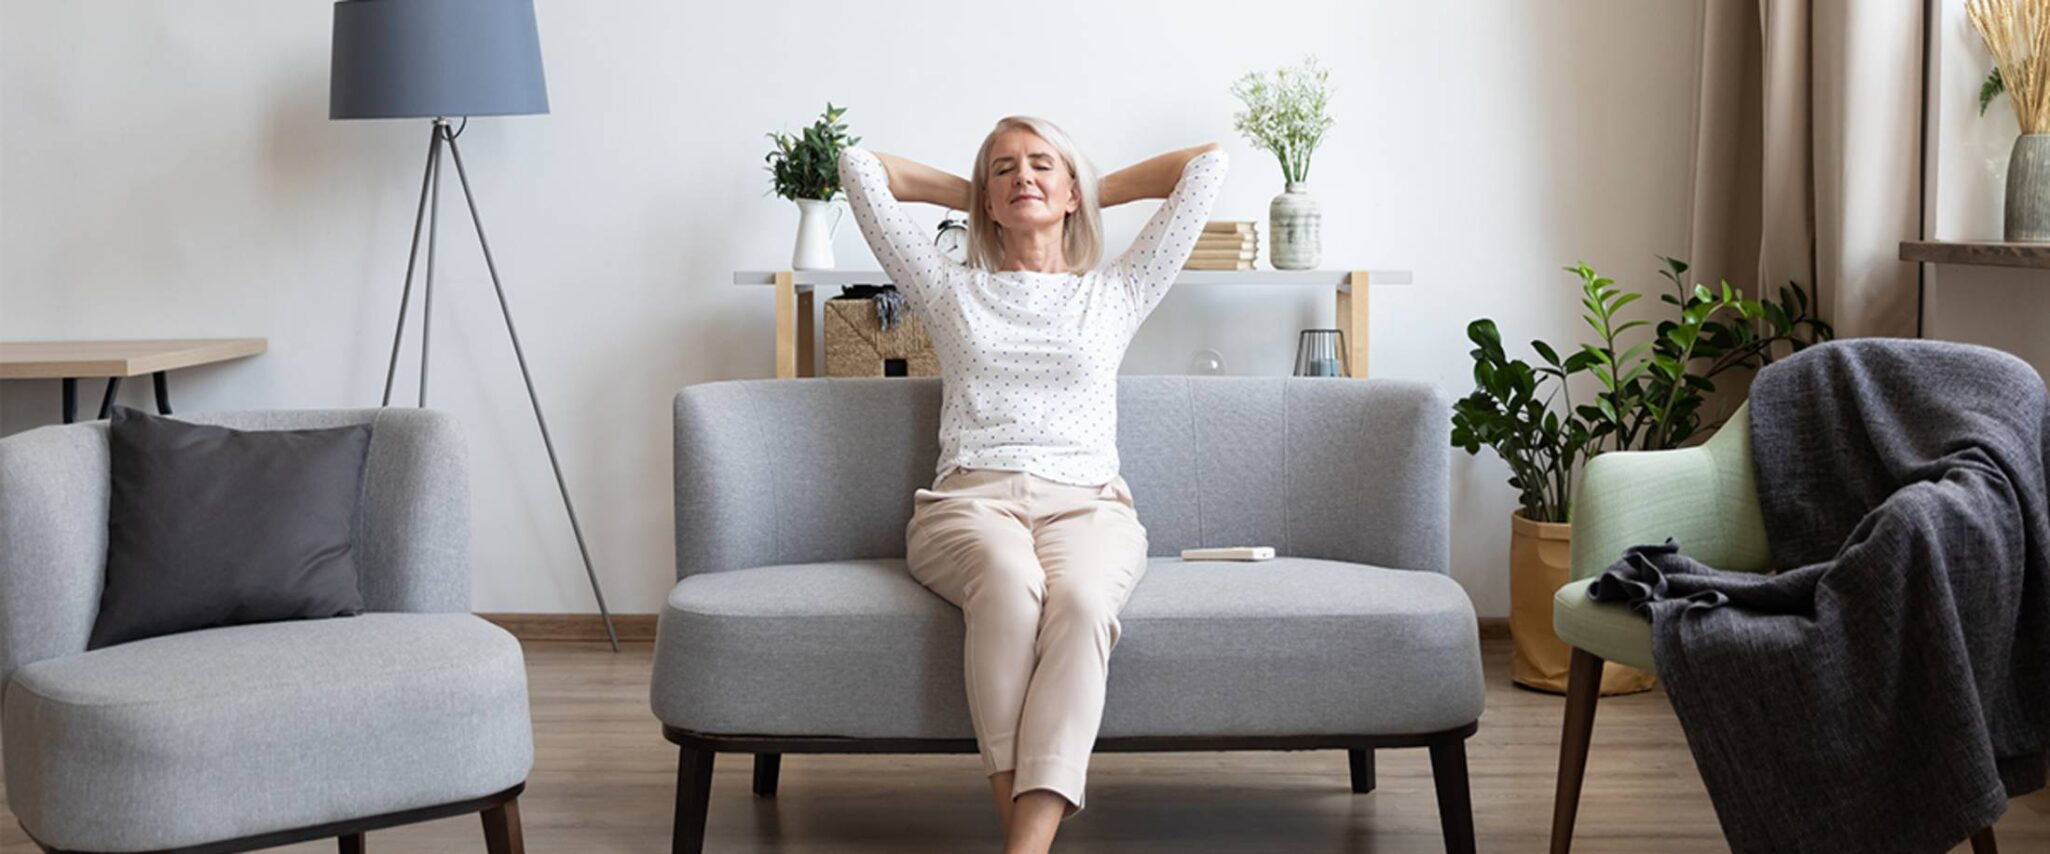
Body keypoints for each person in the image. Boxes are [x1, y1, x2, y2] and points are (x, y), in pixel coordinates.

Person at [838, 115, 1226, 854]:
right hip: (969, 505)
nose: (1024, 176)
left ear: (1073, 190)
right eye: (1006, 168)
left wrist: (1081, 186)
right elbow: (859, 167)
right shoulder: (950, 290)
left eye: (1042, 165)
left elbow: (1207, 165)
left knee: (1080, 602)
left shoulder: (1116, 293)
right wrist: (978, 189)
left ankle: (1025, 847)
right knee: (1011, 583)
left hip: (1090, 506)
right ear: (985, 200)